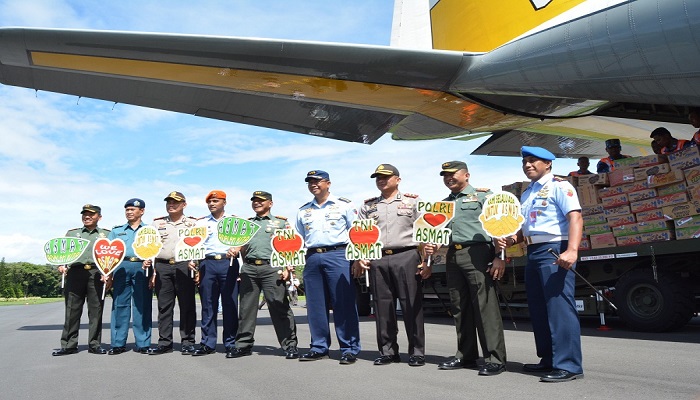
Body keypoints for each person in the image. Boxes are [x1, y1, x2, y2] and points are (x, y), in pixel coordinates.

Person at [495, 146, 584, 383]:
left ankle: (569, 365)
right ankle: (549, 359)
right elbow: (527, 228)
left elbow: (575, 217)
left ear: (549, 164)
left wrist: (572, 250)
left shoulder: (560, 186)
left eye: (534, 161)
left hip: (554, 249)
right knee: (539, 308)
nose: (527, 165)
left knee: (559, 308)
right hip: (533, 251)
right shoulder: (527, 193)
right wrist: (513, 238)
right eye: (525, 162)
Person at [425, 161, 507, 376]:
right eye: (445, 175)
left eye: (453, 174)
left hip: (478, 253)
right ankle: (466, 355)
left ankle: (494, 358)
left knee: (484, 306)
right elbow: (439, 234)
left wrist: (499, 256)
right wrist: (433, 245)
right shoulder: (443, 205)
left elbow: (500, 226)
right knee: (459, 306)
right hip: (453, 254)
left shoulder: (484, 196)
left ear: (467, 175)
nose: (448, 178)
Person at [352, 164, 429, 367]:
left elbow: (427, 229)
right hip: (378, 258)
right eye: (378, 177)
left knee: (411, 305)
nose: (381, 180)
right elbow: (361, 235)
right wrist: (360, 257)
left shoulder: (412, 201)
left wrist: (426, 260)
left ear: (397, 179)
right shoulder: (367, 206)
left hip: (406, 255)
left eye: (386, 177)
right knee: (382, 306)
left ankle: (417, 352)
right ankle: (388, 351)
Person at [295, 170, 361, 364]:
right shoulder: (303, 210)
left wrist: (358, 258)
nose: (313, 184)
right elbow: (299, 237)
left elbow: (356, 232)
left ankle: (349, 348)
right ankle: (319, 346)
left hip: (338, 254)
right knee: (315, 305)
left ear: (328, 183)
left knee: (343, 302)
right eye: (310, 182)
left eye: (317, 181)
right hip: (313, 256)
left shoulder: (344, 205)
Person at [227, 190, 299, 359]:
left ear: (270, 203)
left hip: (272, 268)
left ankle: (290, 345)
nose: (257, 203)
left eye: (261, 200)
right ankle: (243, 345)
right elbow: (241, 246)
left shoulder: (280, 223)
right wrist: (235, 251)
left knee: (278, 305)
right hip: (250, 268)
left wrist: (289, 268)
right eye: (254, 200)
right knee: (246, 308)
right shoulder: (247, 224)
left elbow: (290, 246)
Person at [52, 204, 110, 356]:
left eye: (91, 214)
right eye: (84, 214)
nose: (87, 216)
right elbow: (61, 252)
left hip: (96, 273)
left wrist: (108, 272)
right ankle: (69, 345)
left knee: (96, 310)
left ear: (99, 217)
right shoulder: (72, 233)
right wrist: (61, 265)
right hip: (75, 272)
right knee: (72, 310)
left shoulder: (106, 234)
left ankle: (94, 344)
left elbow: (112, 255)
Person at [145, 191, 198, 355]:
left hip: (185, 266)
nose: (171, 205)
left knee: (187, 305)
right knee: (164, 306)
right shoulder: (157, 224)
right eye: (168, 202)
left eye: (175, 202)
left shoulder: (193, 223)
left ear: (184, 205)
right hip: (162, 266)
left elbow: (199, 246)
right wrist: (151, 267)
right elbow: (149, 247)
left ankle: (188, 341)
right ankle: (164, 342)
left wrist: (196, 265)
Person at [191, 190, 240, 356]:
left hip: (228, 263)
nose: (212, 204)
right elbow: (194, 244)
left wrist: (237, 248)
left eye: (216, 201)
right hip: (207, 263)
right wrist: (193, 260)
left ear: (224, 202)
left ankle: (230, 343)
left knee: (230, 304)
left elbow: (244, 240)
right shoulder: (201, 223)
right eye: (210, 202)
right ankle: (207, 343)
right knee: (208, 304)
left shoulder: (234, 221)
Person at [107, 198, 153, 355]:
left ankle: (143, 343)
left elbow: (156, 250)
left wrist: (151, 263)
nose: (129, 212)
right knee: (120, 305)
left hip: (142, 267)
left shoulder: (150, 230)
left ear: (142, 211)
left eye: (132, 209)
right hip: (121, 267)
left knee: (142, 305)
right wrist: (108, 274)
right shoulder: (116, 231)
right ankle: (118, 343)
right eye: (127, 209)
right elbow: (108, 253)